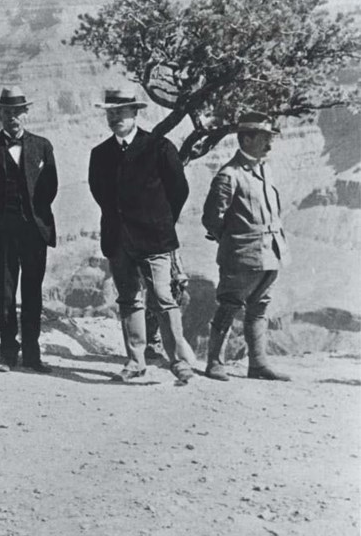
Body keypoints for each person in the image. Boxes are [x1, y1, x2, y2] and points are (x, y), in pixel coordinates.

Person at [88, 88, 195, 383]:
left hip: (155, 238)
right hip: (118, 239)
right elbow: (100, 194)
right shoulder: (100, 154)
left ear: (135, 113)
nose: (115, 118)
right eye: (110, 113)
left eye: (120, 112)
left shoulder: (159, 147)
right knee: (129, 299)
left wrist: (159, 221)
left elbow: (179, 190)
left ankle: (178, 361)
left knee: (162, 297)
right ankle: (135, 361)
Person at [0, 86, 58, 373]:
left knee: (32, 292)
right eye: (7, 113)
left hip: (34, 234)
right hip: (1, 234)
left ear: (26, 113)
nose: (13, 118)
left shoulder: (43, 146)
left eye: (18, 112)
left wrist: (36, 217)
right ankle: (7, 353)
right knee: (5, 294)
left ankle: (33, 353)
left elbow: (50, 187)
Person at [202, 111, 291, 382]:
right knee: (229, 305)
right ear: (247, 138)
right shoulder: (229, 175)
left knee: (260, 308)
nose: (269, 145)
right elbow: (211, 218)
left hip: (270, 253)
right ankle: (214, 363)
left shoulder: (265, 169)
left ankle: (258, 364)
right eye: (264, 138)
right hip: (241, 255)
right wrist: (232, 241)